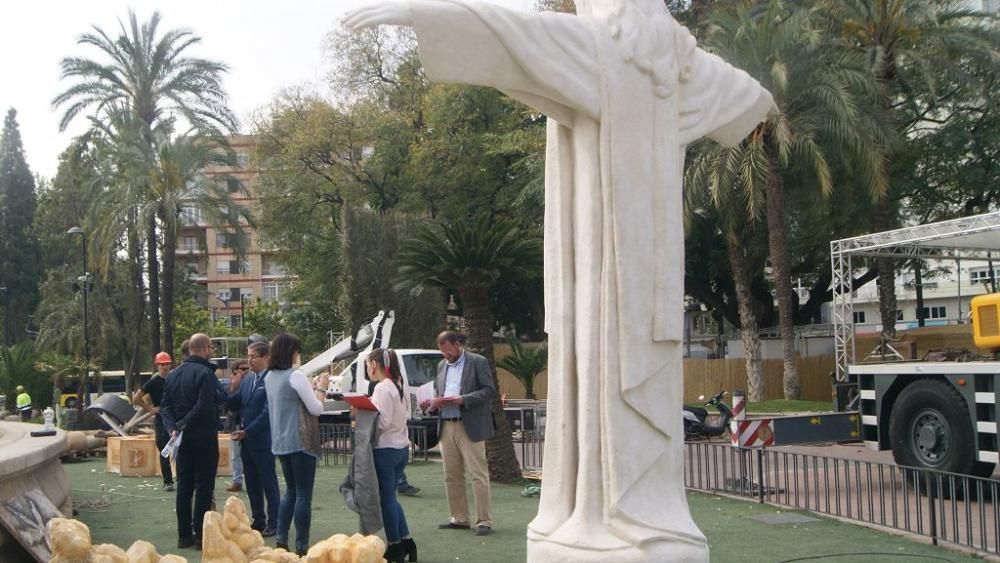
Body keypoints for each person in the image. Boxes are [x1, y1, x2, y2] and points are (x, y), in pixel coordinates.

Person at [346, 3, 774, 560]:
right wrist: (425, 12)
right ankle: (607, 510)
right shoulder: (662, 54)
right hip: (608, 268)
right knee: (602, 371)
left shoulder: (645, 52)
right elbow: (744, 94)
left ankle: (633, 512)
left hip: (640, 271)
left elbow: (516, 34)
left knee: (622, 372)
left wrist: (424, 12)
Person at [421, 331, 496, 536]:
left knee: (478, 473)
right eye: (443, 351)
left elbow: (489, 390)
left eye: (449, 350)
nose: (446, 355)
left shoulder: (477, 361)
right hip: (446, 424)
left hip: (469, 424)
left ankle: (484, 521)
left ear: (458, 344)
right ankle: (459, 518)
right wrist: (432, 402)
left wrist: (462, 399)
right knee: (452, 475)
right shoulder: (441, 365)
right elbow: (441, 391)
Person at [265, 333, 324, 556]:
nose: (299, 355)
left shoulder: (269, 376)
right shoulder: (295, 376)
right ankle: (301, 545)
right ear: (291, 352)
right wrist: (321, 388)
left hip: (280, 442)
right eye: (297, 351)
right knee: (303, 496)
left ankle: (281, 539)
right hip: (300, 442)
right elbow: (316, 408)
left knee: (290, 491)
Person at [161, 333, 221, 550]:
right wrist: (183, 423)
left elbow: (164, 406)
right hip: (203, 436)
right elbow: (204, 404)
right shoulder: (206, 373)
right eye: (211, 348)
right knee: (204, 486)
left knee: (184, 486)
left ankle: (183, 535)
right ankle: (199, 536)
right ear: (204, 348)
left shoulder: (173, 375)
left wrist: (172, 427)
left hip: (181, 440)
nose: (212, 351)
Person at [367, 348, 417, 563]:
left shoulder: (381, 388)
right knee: (391, 497)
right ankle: (407, 542)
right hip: (400, 448)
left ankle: (395, 545)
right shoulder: (399, 384)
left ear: (374, 365)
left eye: (368, 364)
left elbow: (383, 422)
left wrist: (363, 414)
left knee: (386, 499)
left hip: (385, 449)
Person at [228, 341, 279, 537]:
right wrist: (232, 389)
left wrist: (248, 431)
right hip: (246, 440)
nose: (249, 360)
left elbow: (267, 412)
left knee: (268, 482)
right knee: (252, 482)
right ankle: (258, 519)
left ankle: (274, 522)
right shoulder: (248, 380)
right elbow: (237, 404)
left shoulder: (271, 379)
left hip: (263, 439)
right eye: (248, 356)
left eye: (253, 356)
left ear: (266, 358)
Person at [134, 352, 176, 491]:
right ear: (157, 365)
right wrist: (150, 409)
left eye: (166, 364)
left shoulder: (175, 378)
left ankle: (183, 479)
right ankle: (168, 481)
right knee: (164, 450)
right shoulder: (153, 382)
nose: (164, 367)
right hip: (161, 419)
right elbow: (136, 398)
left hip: (176, 418)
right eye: (161, 364)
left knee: (181, 449)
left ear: (170, 364)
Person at [226, 360, 249, 493]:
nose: (245, 371)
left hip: (248, 423)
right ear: (235, 370)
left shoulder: (252, 382)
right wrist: (235, 385)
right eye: (242, 369)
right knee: (236, 454)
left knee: (248, 454)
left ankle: (249, 480)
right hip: (235, 423)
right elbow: (227, 403)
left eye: (247, 368)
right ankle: (237, 480)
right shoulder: (232, 384)